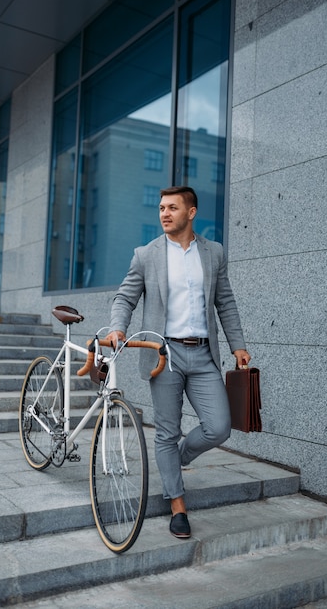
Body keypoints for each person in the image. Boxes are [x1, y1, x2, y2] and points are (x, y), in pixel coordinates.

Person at [106, 185, 250, 539]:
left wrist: (238, 346)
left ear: (191, 212)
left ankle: (179, 456)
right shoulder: (146, 254)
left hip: (203, 354)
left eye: (172, 207)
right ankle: (178, 505)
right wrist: (117, 328)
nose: (164, 214)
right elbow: (125, 297)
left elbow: (225, 302)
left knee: (219, 426)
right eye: (160, 208)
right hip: (163, 355)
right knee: (166, 432)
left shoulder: (213, 253)